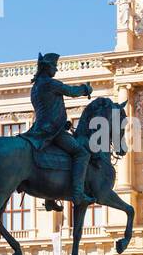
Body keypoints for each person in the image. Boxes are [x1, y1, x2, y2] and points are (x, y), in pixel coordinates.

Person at [22, 52, 94, 207]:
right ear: (47, 68)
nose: (56, 70)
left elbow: (48, 110)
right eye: (54, 66)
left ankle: (50, 199)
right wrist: (86, 89)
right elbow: (72, 92)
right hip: (52, 130)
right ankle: (78, 194)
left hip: (40, 128)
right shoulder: (50, 83)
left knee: (53, 157)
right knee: (81, 153)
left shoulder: (35, 87)